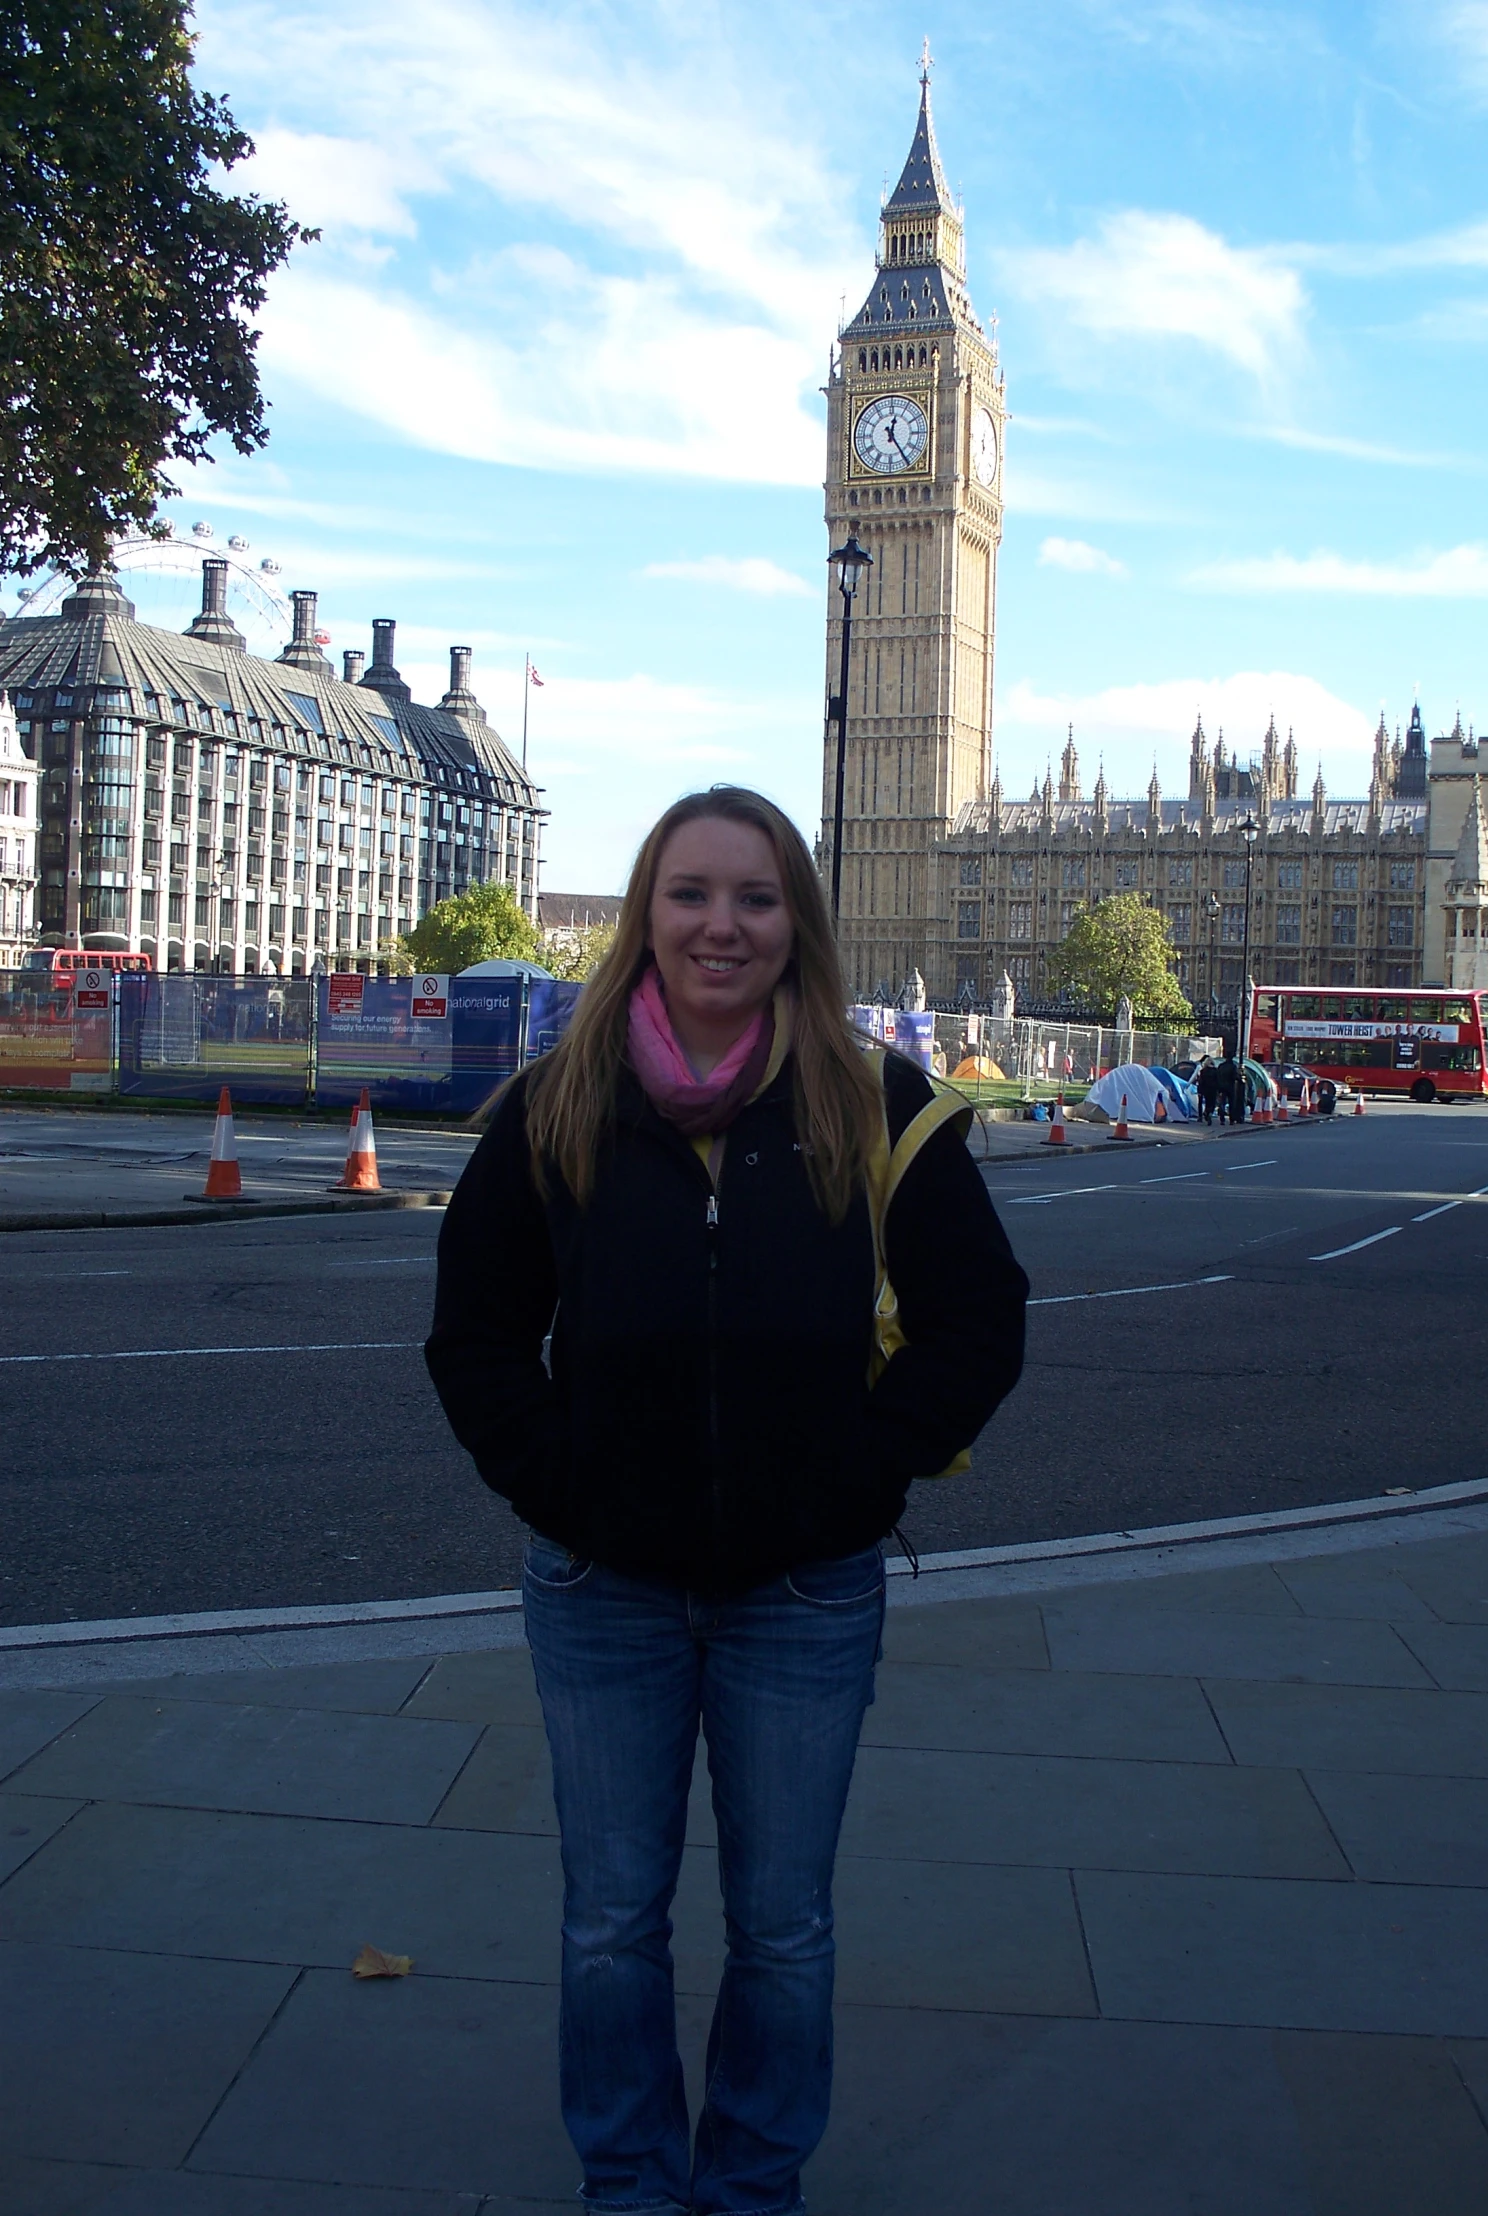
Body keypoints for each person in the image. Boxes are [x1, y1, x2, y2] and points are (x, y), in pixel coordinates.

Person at [425, 786, 1028, 2216]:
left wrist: (858, 1471)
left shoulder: (876, 1102)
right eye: (691, 893)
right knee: (610, 1927)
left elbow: (979, 1318)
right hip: (601, 1588)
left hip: (803, 1591)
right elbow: (476, 1337)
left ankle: (752, 2180)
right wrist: (561, 1483)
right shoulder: (556, 1102)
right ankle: (630, 2180)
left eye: (754, 898)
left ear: (795, 924)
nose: (721, 924)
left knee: (782, 1928)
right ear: (645, 911)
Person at [1196, 1055, 1219, 1125]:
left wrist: (1200, 1090)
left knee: (1206, 1102)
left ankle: (1206, 1113)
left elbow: (1201, 1081)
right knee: (1212, 1102)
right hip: (1213, 1089)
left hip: (1205, 1089)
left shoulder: (1203, 1071)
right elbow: (1218, 1081)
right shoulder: (1216, 1071)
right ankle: (1209, 1112)